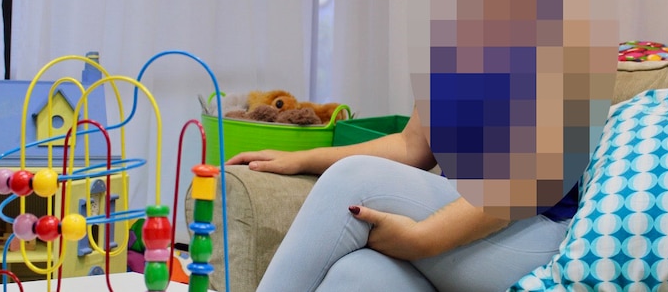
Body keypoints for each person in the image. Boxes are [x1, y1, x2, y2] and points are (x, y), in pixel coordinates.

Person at [226, 107, 578, 291]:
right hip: (462, 238)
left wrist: (422, 239)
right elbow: (412, 147)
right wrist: (302, 158)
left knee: (354, 178)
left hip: (533, 238)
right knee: (359, 276)